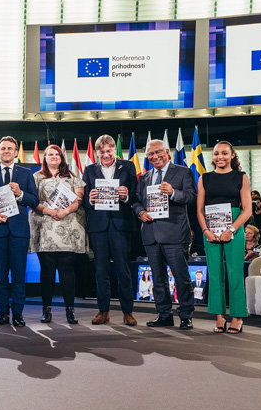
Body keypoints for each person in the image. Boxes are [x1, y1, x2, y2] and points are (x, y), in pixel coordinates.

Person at [132, 139, 197, 330]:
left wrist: (173, 193)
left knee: (181, 277)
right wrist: (140, 212)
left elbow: (192, 197)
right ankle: (164, 314)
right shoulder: (144, 178)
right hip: (151, 235)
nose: (155, 156)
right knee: (158, 279)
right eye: (151, 154)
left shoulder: (183, 171)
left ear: (167, 152)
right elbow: (136, 201)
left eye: (158, 152)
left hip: (175, 234)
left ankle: (186, 315)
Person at [0, 136, 39, 327]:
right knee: (0, 276)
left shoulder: (26, 173)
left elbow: (35, 201)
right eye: (3, 148)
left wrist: (20, 194)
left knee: (19, 275)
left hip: (19, 231)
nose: (6, 151)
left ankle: (18, 314)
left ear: (15, 152)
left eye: (10, 148)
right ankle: (3, 313)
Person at [82, 134, 138, 326]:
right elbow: (84, 203)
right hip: (98, 227)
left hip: (121, 225)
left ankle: (127, 312)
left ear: (114, 150)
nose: (105, 155)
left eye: (108, 151)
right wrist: (90, 198)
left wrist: (126, 196)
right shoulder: (89, 170)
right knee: (100, 270)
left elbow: (136, 195)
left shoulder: (128, 166)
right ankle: (103, 311)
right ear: (97, 152)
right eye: (102, 152)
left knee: (123, 270)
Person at [196, 141, 252, 334]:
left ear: (233, 155)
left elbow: (247, 210)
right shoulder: (204, 178)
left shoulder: (241, 177)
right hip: (210, 229)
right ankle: (219, 317)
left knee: (235, 273)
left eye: (224, 153)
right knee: (215, 274)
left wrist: (231, 229)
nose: (220, 157)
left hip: (234, 227)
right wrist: (205, 231)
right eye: (216, 153)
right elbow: (199, 210)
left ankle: (237, 317)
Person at [30, 144, 86, 324]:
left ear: (62, 158)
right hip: (45, 227)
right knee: (46, 270)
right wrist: (49, 211)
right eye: (50, 154)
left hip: (68, 227)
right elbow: (32, 201)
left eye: (57, 154)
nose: (54, 157)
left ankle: (70, 310)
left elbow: (79, 199)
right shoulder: (36, 177)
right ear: (44, 158)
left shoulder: (72, 177)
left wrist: (64, 211)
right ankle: (46, 310)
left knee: (67, 270)